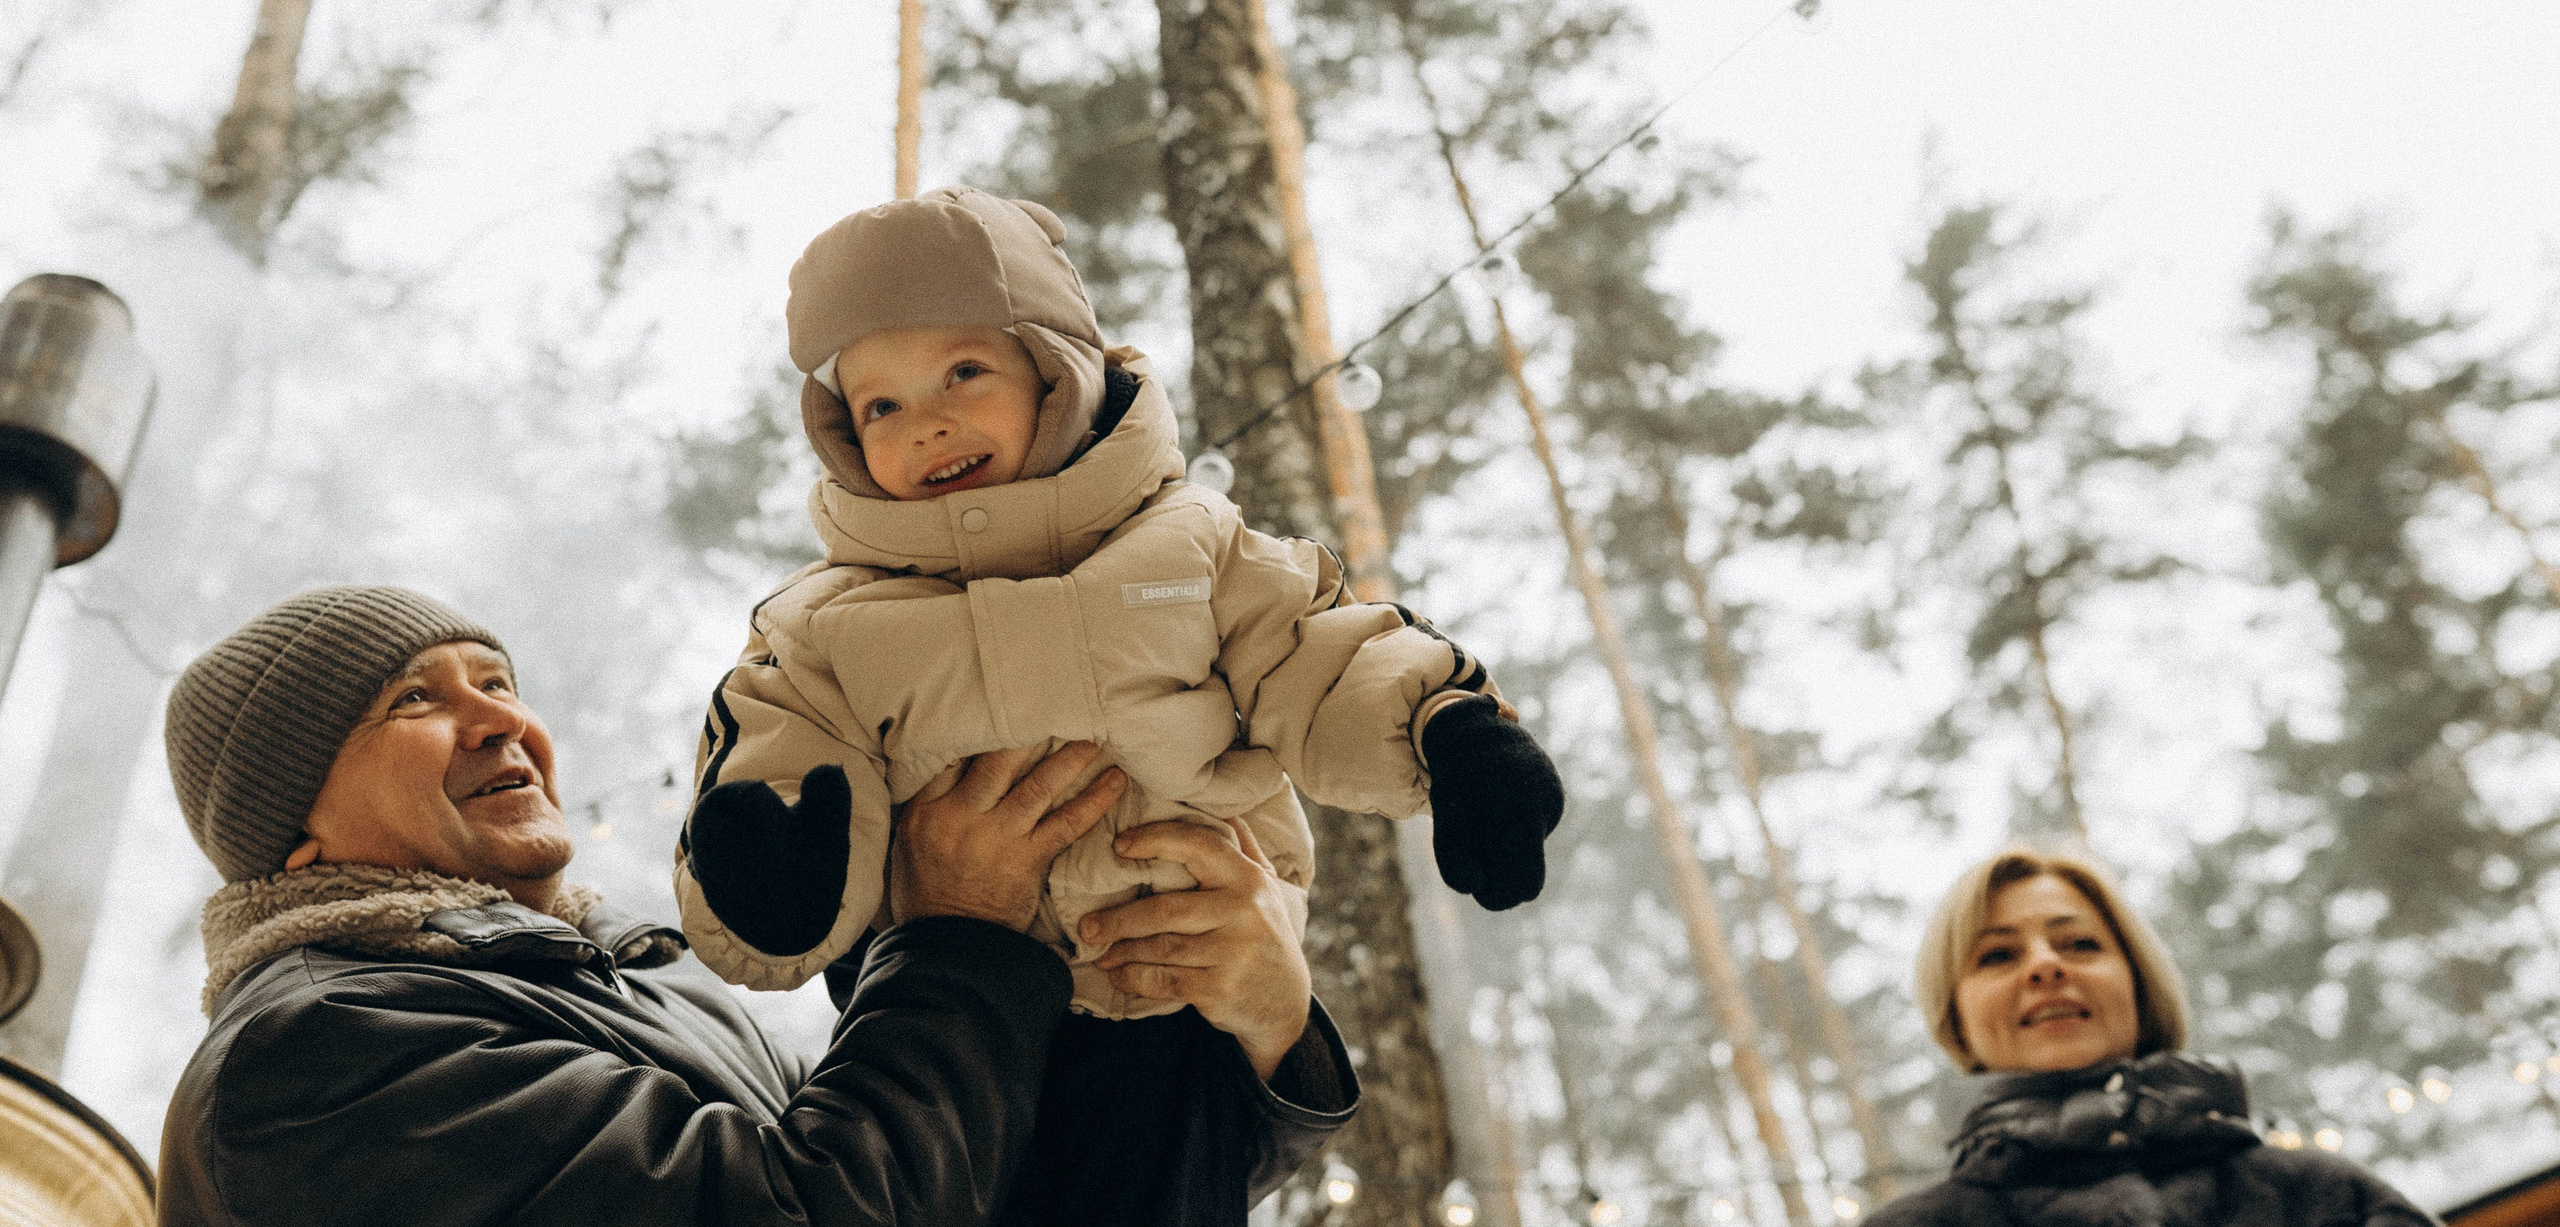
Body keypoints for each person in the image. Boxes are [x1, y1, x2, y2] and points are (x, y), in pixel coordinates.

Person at [677, 188, 1565, 1222]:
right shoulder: (825, 624)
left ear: (1057, 372)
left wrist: (1449, 736)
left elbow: (1318, 654)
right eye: (880, 407)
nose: (927, 422)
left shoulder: (1190, 542)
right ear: (841, 437)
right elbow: (781, 745)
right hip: (946, 1026)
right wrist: (775, 879)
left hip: (1177, 1006)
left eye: (964, 372)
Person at [155, 584, 1353, 1226]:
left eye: (498, 681)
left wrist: (1255, 1025)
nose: (501, 719)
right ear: (296, 837)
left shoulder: (640, 987)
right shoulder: (314, 1055)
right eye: (413, 700)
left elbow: (998, 1189)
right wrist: (951, 943)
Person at [1871, 846, 2436, 1227]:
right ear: (1956, 1021)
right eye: (1998, 955)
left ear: (2140, 986)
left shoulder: (2323, 1196)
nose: (2044, 966)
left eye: (2080, 944)